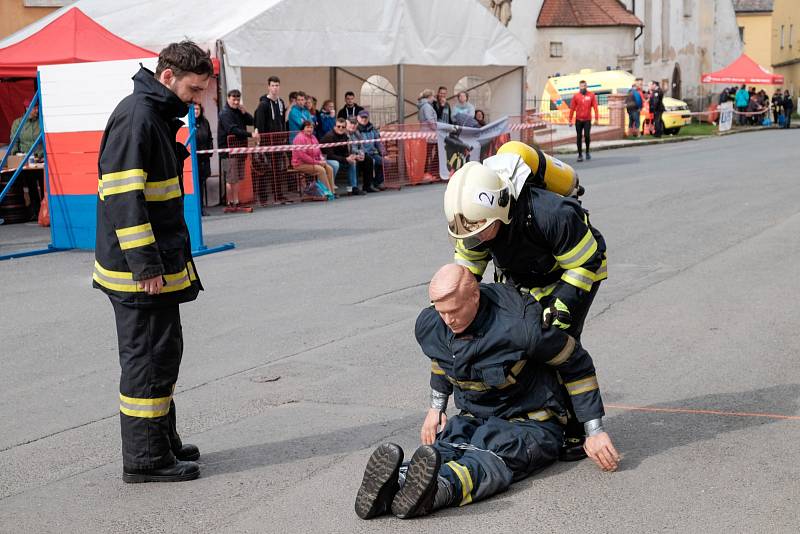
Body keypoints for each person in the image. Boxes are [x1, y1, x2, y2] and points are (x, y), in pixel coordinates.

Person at [354, 264, 619, 520]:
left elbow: (576, 363)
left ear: (475, 295)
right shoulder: (431, 324)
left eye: (455, 310)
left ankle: (436, 491)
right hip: (474, 418)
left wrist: (593, 431)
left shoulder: (520, 327)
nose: (449, 320)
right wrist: (436, 407)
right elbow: (441, 359)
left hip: (530, 424)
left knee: (487, 461)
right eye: (441, 311)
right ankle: (394, 484)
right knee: (444, 450)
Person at [94, 41, 213, 483]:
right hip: (139, 275)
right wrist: (146, 268)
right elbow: (126, 200)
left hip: (154, 266)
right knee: (148, 360)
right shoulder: (138, 117)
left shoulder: (154, 114)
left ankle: (162, 440)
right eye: (194, 89)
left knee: (163, 355)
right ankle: (146, 460)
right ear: (168, 77)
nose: (197, 99)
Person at [445, 154, 608, 463]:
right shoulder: (474, 220)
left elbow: (588, 260)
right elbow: (466, 270)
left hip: (572, 273)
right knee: (519, 338)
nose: (476, 236)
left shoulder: (551, 212)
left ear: (500, 209)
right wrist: (456, 297)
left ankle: (578, 426)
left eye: (481, 229)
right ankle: (538, 414)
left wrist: (560, 306)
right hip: (523, 276)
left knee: (556, 341)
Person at [218, 89, 255, 212]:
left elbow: (251, 121)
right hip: (228, 150)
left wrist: (245, 113)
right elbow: (232, 130)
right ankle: (230, 202)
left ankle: (236, 201)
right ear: (228, 98)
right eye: (233, 99)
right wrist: (250, 135)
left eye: (238, 99)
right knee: (231, 178)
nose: (236, 101)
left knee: (237, 177)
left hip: (239, 149)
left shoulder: (239, 111)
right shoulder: (225, 113)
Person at [253, 75, 290, 203]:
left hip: (279, 142)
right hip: (267, 142)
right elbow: (259, 123)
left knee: (278, 170)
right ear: (268, 87)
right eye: (273, 85)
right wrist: (261, 143)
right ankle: (263, 198)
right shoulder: (263, 104)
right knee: (265, 170)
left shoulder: (281, 103)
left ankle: (278, 195)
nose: (275, 88)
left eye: (277, 85)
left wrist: (284, 136)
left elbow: (282, 121)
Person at [8, 101, 44, 221]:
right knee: (31, 186)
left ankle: (45, 212)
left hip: (41, 160)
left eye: (37, 108)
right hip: (26, 161)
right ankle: (35, 211)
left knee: (44, 186)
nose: (37, 111)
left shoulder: (41, 122)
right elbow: (14, 141)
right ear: (27, 108)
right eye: (34, 108)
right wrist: (15, 156)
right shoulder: (18, 123)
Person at [291, 120, 336, 199]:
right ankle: (326, 193)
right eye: (307, 127)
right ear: (303, 128)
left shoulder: (313, 137)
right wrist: (317, 162)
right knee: (321, 170)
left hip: (314, 162)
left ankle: (332, 192)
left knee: (329, 168)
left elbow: (318, 151)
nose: (310, 129)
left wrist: (322, 160)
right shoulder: (299, 138)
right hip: (300, 164)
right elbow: (302, 156)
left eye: (311, 127)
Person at [321, 117, 364, 196]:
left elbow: (346, 152)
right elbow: (330, 156)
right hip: (326, 159)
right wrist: (345, 159)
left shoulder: (345, 136)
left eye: (343, 127)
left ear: (345, 128)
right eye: (338, 126)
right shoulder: (329, 136)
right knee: (335, 164)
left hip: (339, 158)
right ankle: (331, 189)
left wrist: (352, 157)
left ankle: (352, 188)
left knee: (352, 162)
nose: (341, 128)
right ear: (334, 127)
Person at [569, 80, 599, 161]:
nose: (583, 88)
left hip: (587, 120)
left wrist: (596, 118)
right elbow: (572, 108)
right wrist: (570, 119)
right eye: (581, 86)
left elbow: (595, 107)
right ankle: (580, 155)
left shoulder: (591, 95)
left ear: (586, 86)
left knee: (587, 136)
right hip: (578, 120)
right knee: (579, 137)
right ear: (579, 87)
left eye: (584, 86)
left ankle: (587, 152)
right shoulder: (576, 96)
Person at [356, 110, 386, 190]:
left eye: (365, 117)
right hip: (364, 154)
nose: (364, 119)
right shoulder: (356, 130)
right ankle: (369, 184)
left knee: (384, 161)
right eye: (362, 117)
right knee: (370, 161)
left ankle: (378, 183)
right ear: (358, 118)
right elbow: (360, 145)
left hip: (373, 153)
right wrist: (365, 153)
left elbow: (378, 141)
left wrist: (383, 152)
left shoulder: (372, 128)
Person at [345, 117, 376, 192]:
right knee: (353, 162)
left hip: (357, 154)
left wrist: (362, 153)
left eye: (355, 123)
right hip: (349, 155)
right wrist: (357, 154)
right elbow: (348, 149)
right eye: (351, 123)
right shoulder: (344, 134)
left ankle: (367, 186)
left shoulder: (357, 133)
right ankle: (353, 188)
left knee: (369, 159)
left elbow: (361, 146)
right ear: (347, 123)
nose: (353, 125)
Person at [193, 103, 213, 216]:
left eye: (197, 109)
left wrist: (210, 151)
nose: (196, 111)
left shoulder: (205, 122)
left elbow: (210, 137)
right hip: (193, 160)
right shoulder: (190, 123)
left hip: (204, 159)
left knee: (201, 183)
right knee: (194, 185)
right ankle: (195, 209)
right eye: (194, 109)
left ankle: (201, 208)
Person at [417, 89, 438, 180]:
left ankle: (426, 172)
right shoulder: (427, 107)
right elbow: (430, 120)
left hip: (425, 133)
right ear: (429, 97)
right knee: (429, 154)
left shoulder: (423, 106)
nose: (434, 99)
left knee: (427, 154)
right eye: (433, 97)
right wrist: (436, 129)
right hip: (430, 134)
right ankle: (428, 172)